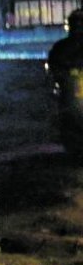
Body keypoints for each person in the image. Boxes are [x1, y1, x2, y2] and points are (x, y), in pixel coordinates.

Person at [47, 9, 83, 155]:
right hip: (70, 87)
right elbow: (54, 65)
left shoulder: (61, 46)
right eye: (76, 24)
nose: (79, 28)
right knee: (66, 110)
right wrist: (62, 75)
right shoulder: (61, 47)